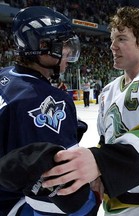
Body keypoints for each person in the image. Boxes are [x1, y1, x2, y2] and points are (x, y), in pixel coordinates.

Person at [42, 6, 139, 216]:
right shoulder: (108, 91)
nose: (112, 46)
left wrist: (100, 161)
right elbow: (108, 143)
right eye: (112, 39)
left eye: (122, 39)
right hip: (117, 205)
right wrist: (96, 175)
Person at [0, 6, 98, 215]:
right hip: (13, 205)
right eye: (62, 45)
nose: (69, 52)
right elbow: (61, 184)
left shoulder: (5, 76)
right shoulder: (46, 100)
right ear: (42, 46)